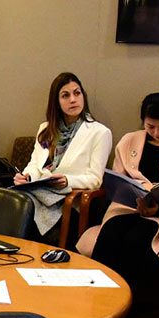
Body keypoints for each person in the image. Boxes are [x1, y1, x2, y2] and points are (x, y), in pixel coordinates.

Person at [76, 93, 159, 283]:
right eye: (150, 126)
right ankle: (98, 291)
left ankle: (125, 296)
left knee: (135, 239)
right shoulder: (129, 140)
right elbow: (118, 178)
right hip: (127, 207)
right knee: (110, 234)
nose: (157, 133)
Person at [14, 71, 112, 237]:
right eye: (65, 96)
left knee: (23, 213)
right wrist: (26, 177)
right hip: (39, 190)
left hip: (68, 198)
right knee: (9, 203)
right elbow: (35, 164)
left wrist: (68, 181)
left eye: (77, 93)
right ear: (57, 102)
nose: (73, 100)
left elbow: (95, 180)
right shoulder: (46, 129)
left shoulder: (100, 133)